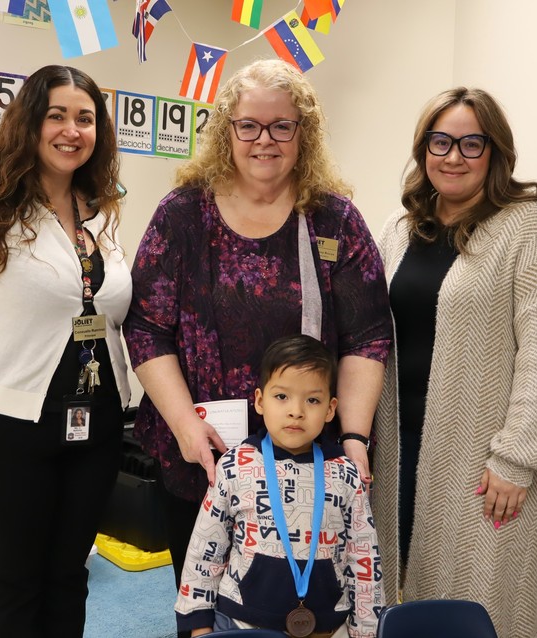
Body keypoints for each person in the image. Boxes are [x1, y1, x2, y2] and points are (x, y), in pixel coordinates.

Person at [124, 59, 392, 636]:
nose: (264, 140)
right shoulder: (183, 215)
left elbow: (369, 335)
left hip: (308, 460)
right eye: (248, 125)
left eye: (281, 126)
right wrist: (185, 426)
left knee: (309, 607)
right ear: (227, 129)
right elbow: (145, 327)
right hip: (203, 453)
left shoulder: (333, 220)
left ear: (303, 133)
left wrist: (353, 437)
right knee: (205, 607)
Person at [371, 88, 537, 638]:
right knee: (393, 589)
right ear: (423, 149)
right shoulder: (399, 230)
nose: (453, 157)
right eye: (440, 142)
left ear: (495, 152)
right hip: (397, 445)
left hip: (482, 455)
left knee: (480, 596)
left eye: (471, 143)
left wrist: (518, 457)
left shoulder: (529, 229)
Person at [0, 65, 131, 638]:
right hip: (8, 431)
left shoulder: (101, 214)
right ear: (29, 124)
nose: (72, 130)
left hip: (96, 428)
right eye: (56, 115)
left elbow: (109, 310)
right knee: (15, 583)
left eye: (85, 118)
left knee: (69, 577)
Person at [175, 335, 384, 637]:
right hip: (240, 621)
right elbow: (205, 550)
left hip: (328, 625)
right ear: (260, 401)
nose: (296, 411)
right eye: (282, 396)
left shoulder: (345, 474)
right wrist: (198, 623)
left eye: (312, 400)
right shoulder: (234, 466)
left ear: (330, 409)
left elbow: (364, 557)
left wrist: (366, 630)